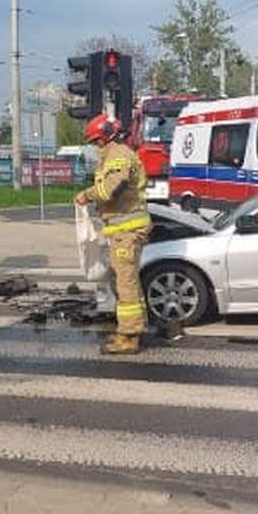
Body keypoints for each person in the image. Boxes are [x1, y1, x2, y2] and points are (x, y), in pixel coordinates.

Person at [75, 114, 151, 355]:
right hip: (123, 229)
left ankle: (129, 337)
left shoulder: (118, 154)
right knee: (128, 281)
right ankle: (135, 326)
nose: (95, 147)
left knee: (125, 282)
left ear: (105, 138)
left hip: (127, 231)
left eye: (96, 142)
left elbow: (111, 189)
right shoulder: (114, 154)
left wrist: (86, 195)